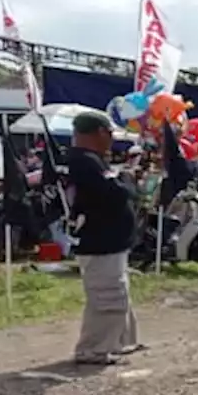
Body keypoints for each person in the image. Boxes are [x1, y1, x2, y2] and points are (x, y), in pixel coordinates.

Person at [67, 111, 141, 365]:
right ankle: (93, 349)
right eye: (109, 133)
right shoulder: (84, 161)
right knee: (108, 298)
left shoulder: (93, 160)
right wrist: (127, 179)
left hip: (111, 241)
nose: (111, 139)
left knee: (119, 293)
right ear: (99, 133)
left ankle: (120, 341)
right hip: (100, 241)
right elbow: (116, 194)